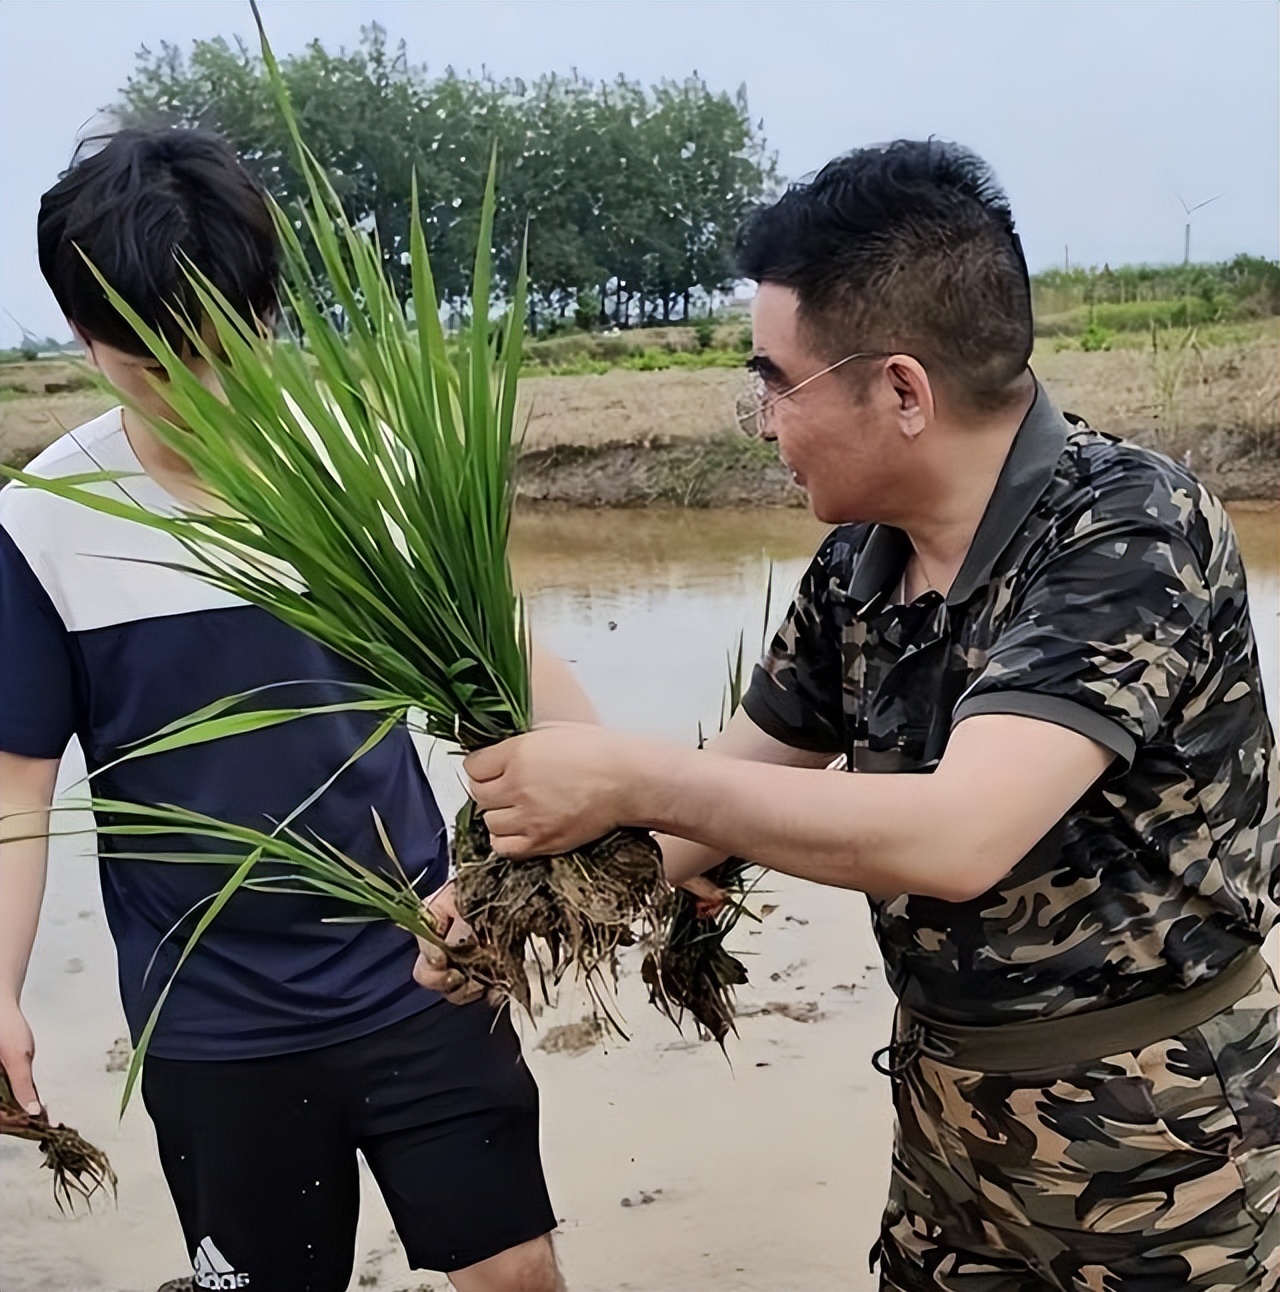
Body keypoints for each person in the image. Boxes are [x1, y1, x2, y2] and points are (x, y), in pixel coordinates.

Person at [428, 141, 1280, 1290]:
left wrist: (626, 776)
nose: (760, 419)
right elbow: (726, 789)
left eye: (774, 380)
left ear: (900, 389)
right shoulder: (856, 568)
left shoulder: (1126, 531)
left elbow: (956, 835)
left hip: (1162, 1151)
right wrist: (507, 908)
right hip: (948, 1134)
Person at [0, 127, 581, 1292]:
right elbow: (15, 785)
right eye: (156, 363)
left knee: (515, 1274)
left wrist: (634, 830)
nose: (203, 394)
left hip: (425, 964)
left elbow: (511, 673)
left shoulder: (369, 467)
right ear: (84, 335)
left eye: (227, 351)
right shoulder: (44, 521)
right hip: (211, 1021)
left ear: (267, 313)